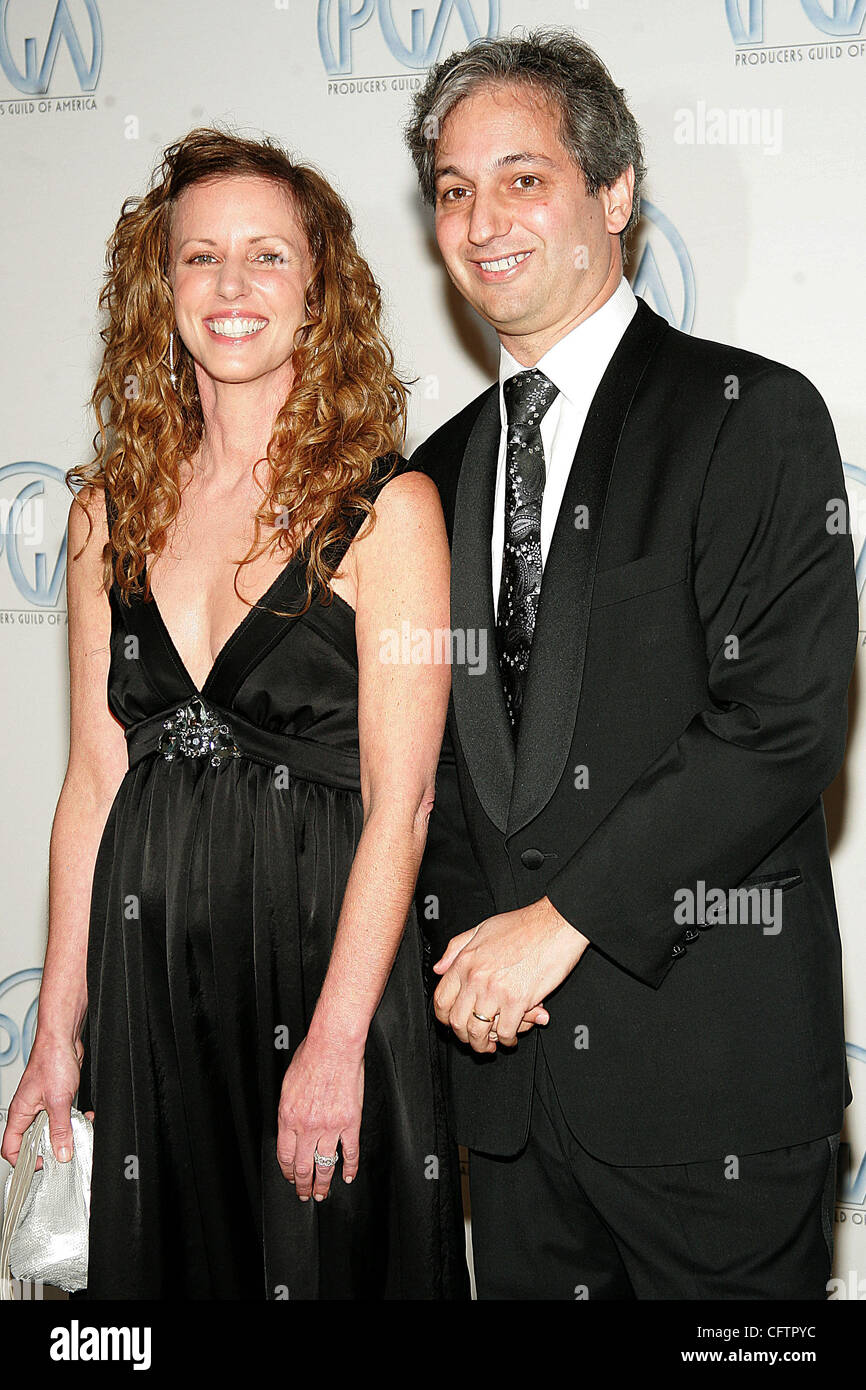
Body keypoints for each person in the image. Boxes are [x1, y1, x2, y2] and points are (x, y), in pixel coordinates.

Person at [406, 29, 859, 1300]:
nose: (482, 218)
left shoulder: (751, 418)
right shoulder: (425, 481)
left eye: (521, 177)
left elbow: (775, 727)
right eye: (452, 189)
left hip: (707, 1103)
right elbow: (422, 771)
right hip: (504, 1107)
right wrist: (464, 975)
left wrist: (557, 924)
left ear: (612, 195)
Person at [1, 127, 469, 1300]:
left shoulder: (386, 509)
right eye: (198, 257)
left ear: (320, 293)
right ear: (160, 292)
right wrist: (58, 1026)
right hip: (150, 983)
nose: (230, 286)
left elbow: (400, 803)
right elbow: (92, 785)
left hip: (326, 972)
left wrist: (335, 1036)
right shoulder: (107, 511)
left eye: (268, 256)